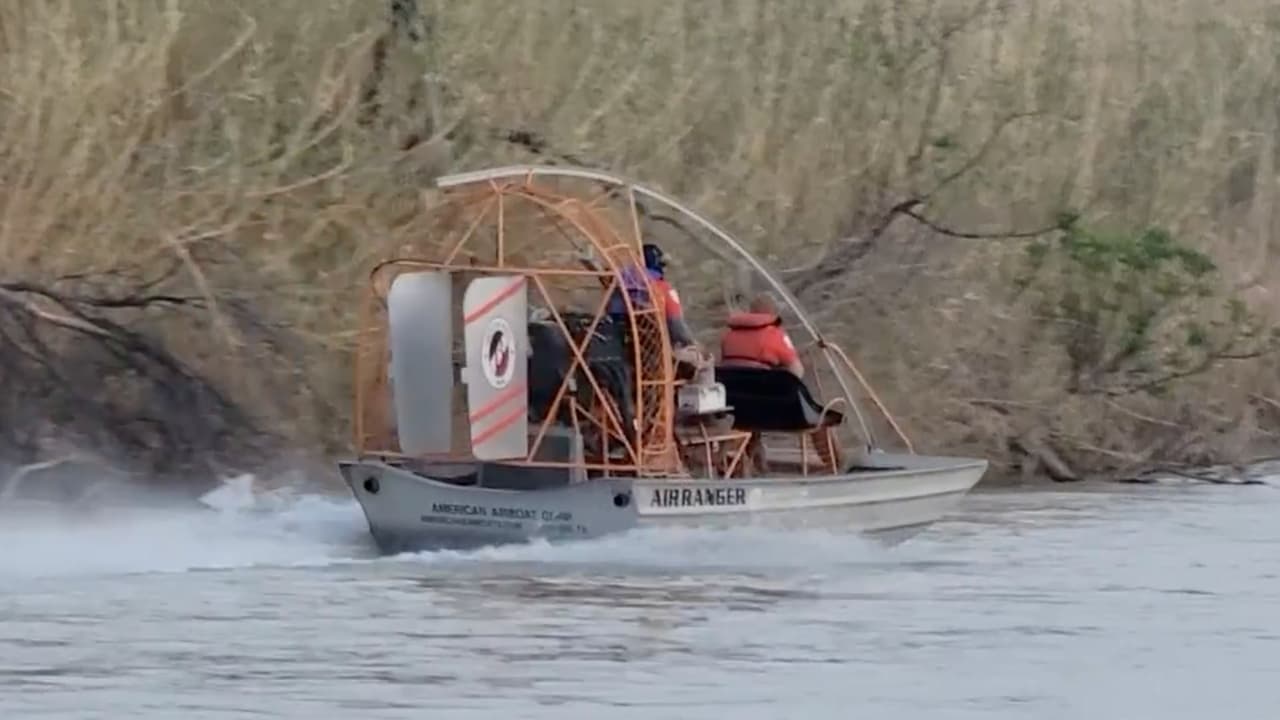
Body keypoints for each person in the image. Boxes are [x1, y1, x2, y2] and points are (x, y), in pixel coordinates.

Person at [607, 243, 697, 350]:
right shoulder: (662, 288)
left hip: (623, 342)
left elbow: (614, 313)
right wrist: (691, 343)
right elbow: (676, 323)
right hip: (655, 349)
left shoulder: (621, 283)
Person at [718, 292, 804, 378]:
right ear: (772, 312)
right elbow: (796, 369)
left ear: (751, 311)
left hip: (731, 386)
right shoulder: (775, 335)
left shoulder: (728, 336)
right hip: (761, 388)